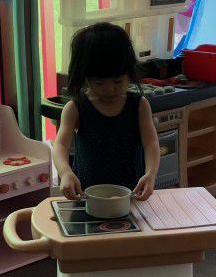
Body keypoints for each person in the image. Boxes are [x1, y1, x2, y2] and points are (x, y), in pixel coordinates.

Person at [53, 22, 160, 201]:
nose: (109, 89)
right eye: (99, 83)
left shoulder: (139, 105)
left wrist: (150, 174)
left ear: (129, 73)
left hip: (131, 196)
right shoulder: (76, 108)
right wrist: (65, 173)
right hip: (87, 198)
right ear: (85, 77)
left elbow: (151, 144)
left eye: (118, 81)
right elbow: (60, 145)